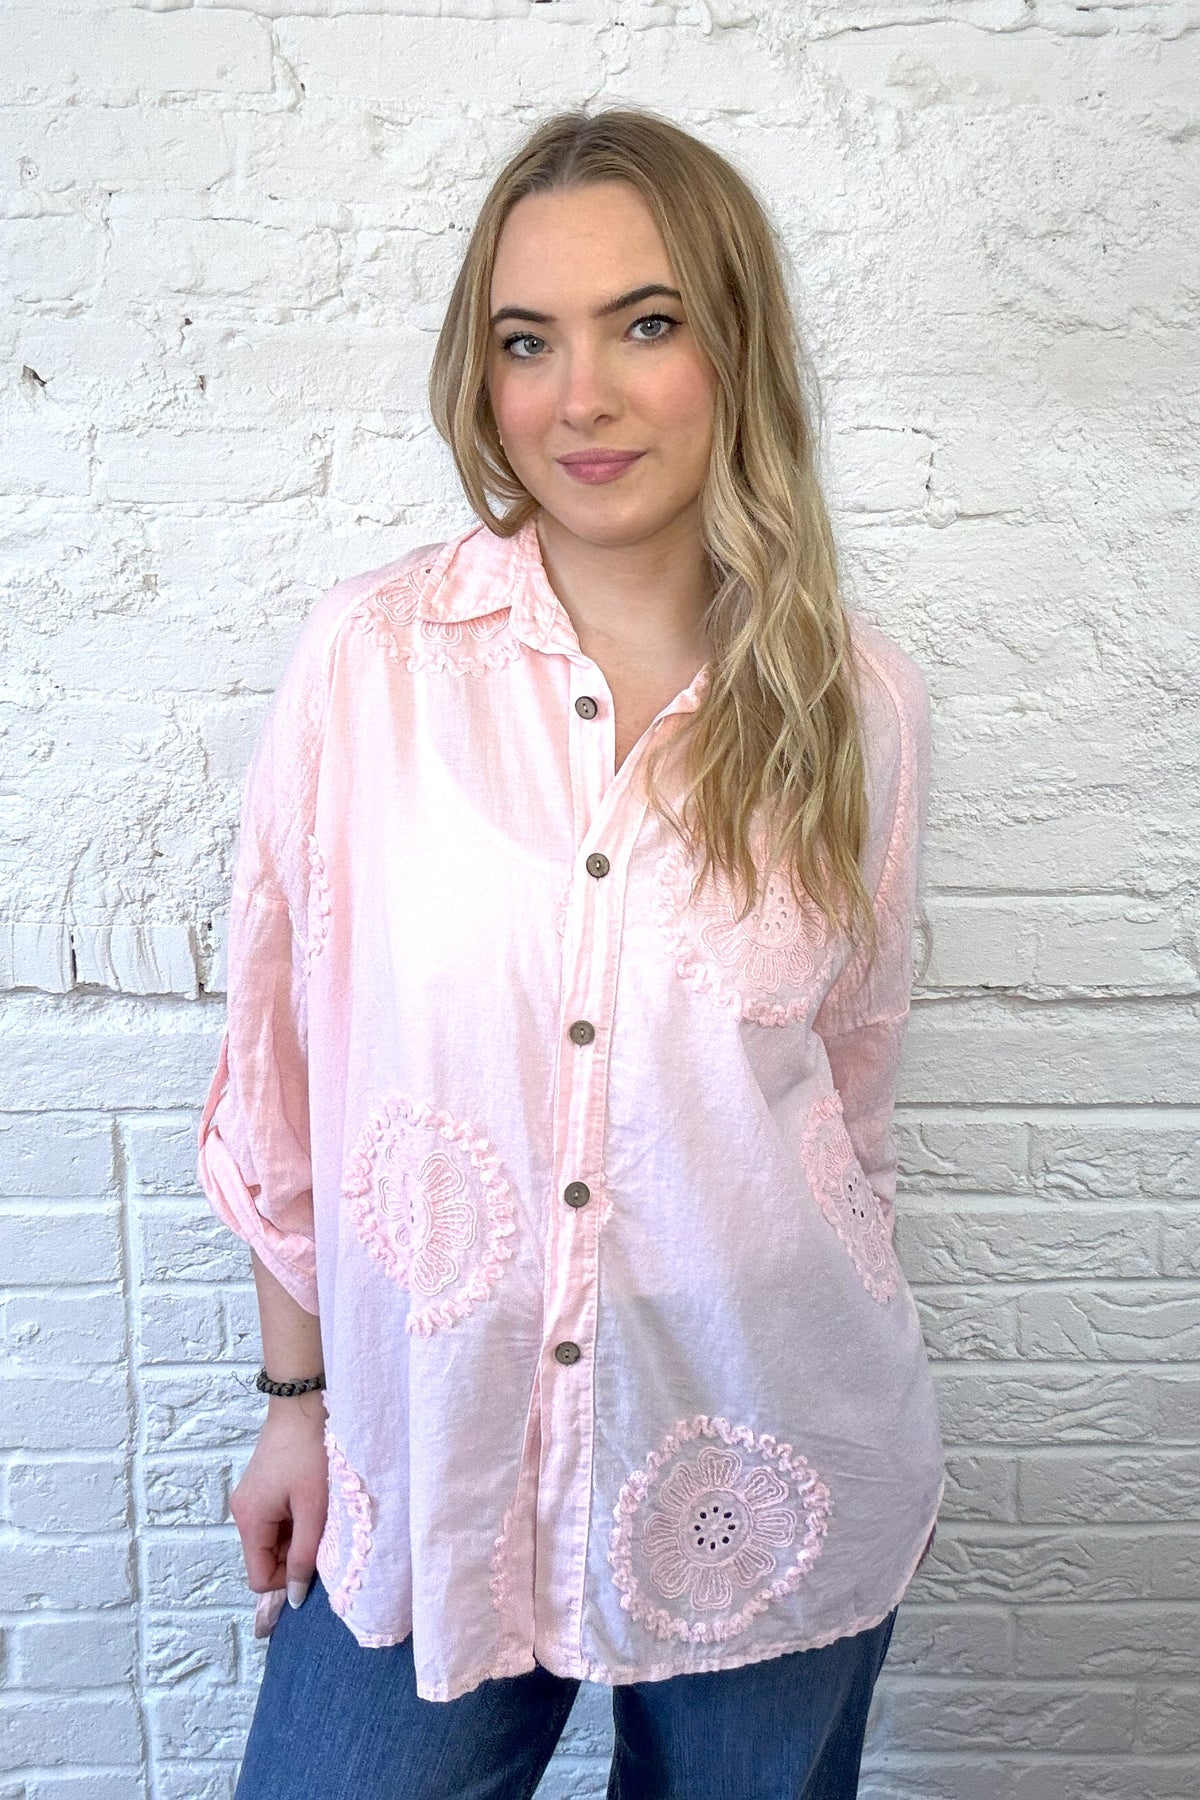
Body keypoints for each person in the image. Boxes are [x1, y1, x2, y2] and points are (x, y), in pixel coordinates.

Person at [196, 103, 943, 1800]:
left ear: (736, 347)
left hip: (762, 1446)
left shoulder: (860, 705)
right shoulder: (371, 666)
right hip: (430, 1457)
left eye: (646, 324)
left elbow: (850, 1097)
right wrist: (297, 1403)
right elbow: (275, 1075)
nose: (579, 396)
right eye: (528, 340)